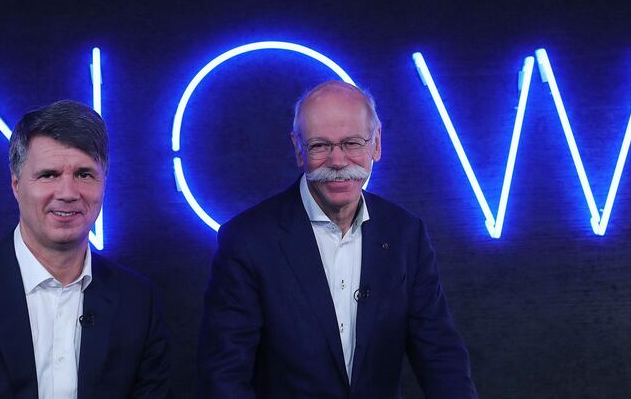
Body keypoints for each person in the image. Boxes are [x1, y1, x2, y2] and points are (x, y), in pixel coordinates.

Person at [197, 81, 477, 398]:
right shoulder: (247, 240)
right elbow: (223, 376)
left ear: (377, 144)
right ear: (298, 148)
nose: (339, 161)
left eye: (352, 143)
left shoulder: (405, 234)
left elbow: (440, 355)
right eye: (320, 146)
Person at [0, 100, 170, 399]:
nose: (67, 193)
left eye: (84, 174)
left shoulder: (138, 302)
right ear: (15, 185)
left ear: (104, 184)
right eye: (48, 175)